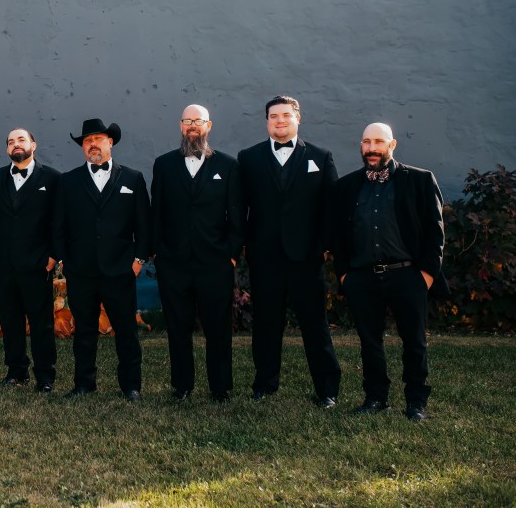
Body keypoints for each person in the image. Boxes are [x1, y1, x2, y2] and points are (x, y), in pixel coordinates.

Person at [331, 122, 450, 421]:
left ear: (392, 145)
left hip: (407, 275)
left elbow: (435, 233)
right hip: (362, 277)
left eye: (379, 142)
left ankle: (416, 402)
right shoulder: (347, 186)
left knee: (414, 342)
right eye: (366, 142)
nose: (372, 148)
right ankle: (375, 398)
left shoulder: (420, 180)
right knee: (369, 342)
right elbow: (338, 235)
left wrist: (426, 276)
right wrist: (345, 275)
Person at [238, 95, 342, 407]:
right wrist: (246, 246)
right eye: (273, 116)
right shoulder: (249, 158)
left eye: (285, 115)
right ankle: (264, 385)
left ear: (298, 118)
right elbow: (239, 207)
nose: (279, 121)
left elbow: (331, 208)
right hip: (265, 258)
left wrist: (322, 248)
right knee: (266, 325)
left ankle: (327, 390)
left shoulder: (320, 157)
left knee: (315, 325)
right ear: (267, 122)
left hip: (306, 258)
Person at [53, 118, 150, 402]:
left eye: (97, 139)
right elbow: (58, 225)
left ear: (110, 142)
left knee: (126, 331)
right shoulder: (68, 181)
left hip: (120, 269)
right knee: (84, 331)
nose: (92, 144)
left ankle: (131, 385)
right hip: (81, 270)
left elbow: (144, 224)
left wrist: (138, 260)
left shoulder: (132, 178)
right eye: (87, 141)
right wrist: (64, 260)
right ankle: (84, 384)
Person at [151, 104, 242, 402]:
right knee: (178, 327)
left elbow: (236, 215)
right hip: (173, 263)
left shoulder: (227, 165)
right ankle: (182, 386)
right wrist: (158, 253)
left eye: (198, 120)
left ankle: (220, 387)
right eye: (187, 120)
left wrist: (231, 254)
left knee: (218, 328)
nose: (192, 125)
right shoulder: (164, 165)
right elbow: (157, 212)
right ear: (180, 126)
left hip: (215, 262)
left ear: (208, 126)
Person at [0, 127, 60, 393]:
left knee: (41, 323)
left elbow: (58, 221)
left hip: (37, 264)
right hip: (3, 264)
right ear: (7, 149)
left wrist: (53, 255)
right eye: (11, 141)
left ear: (33, 145)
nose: (16, 144)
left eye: (21, 139)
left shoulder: (52, 178)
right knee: (10, 321)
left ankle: (45, 376)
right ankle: (16, 372)